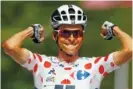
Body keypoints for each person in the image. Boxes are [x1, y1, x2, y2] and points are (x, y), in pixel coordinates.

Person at [2, 4, 132, 89]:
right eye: (65, 33)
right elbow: (10, 47)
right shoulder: (40, 63)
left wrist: (114, 29)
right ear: (55, 36)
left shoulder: (96, 65)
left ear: (83, 37)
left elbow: (130, 50)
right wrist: (32, 30)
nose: (71, 38)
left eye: (77, 33)